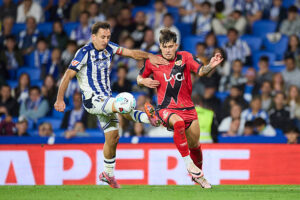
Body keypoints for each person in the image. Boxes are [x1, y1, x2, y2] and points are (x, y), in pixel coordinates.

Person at [54, 21, 168, 189]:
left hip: (106, 101)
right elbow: (67, 76)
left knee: (113, 137)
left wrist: (149, 56)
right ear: (93, 37)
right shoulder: (83, 53)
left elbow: (131, 53)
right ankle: (147, 118)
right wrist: (59, 99)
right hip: (93, 100)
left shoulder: (109, 47)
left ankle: (108, 173)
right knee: (126, 101)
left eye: (108, 37)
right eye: (102, 37)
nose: (105, 40)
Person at [137, 29, 224, 188]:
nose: (168, 50)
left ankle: (198, 177)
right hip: (166, 108)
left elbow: (201, 71)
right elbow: (139, 77)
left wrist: (211, 65)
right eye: (165, 47)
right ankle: (188, 164)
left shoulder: (185, 57)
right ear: (160, 46)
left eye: (171, 46)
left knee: (195, 146)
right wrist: (143, 82)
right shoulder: (152, 61)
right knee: (177, 124)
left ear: (176, 45)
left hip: (188, 109)